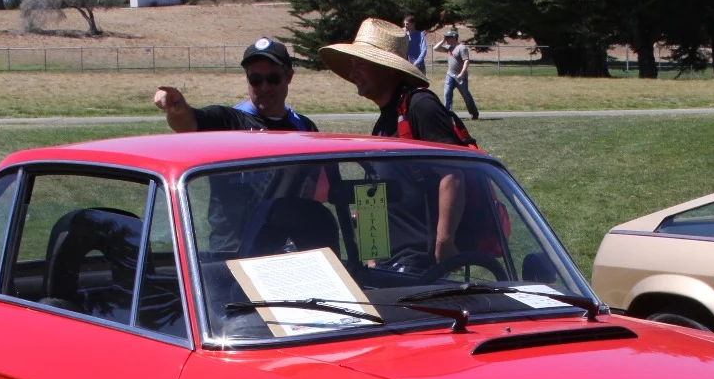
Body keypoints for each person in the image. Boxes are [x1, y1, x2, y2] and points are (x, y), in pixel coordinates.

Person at [320, 18, 480, 269]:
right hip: (390, 264)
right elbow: (375, 194)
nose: (352, 73)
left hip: (420, 262)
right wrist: (373, 259)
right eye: (352, 65)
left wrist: (444, 244)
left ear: (388, 68)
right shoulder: (383, 123)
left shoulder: (420, 105)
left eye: (359, 63)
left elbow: (451, 172)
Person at [153, 38, 319, 133]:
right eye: (256, 79)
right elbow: (188, 124)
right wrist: (176, 109)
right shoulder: (228, 122)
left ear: (289, 77)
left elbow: (324, 185)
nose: (265, 87)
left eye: (273, 78)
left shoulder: (305, 128)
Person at [434, 27, 479, 120]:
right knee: (447, 94)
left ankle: (474, 113)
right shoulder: (449, 47)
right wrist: (443, 40)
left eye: (448, 37)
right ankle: (447, 114)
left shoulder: (461, 48)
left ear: (454, 37)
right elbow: (435, 48)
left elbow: (466, 61)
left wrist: (462, 73)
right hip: (450, 75)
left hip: (460, 77)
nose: (447, 39)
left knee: (466, 95)